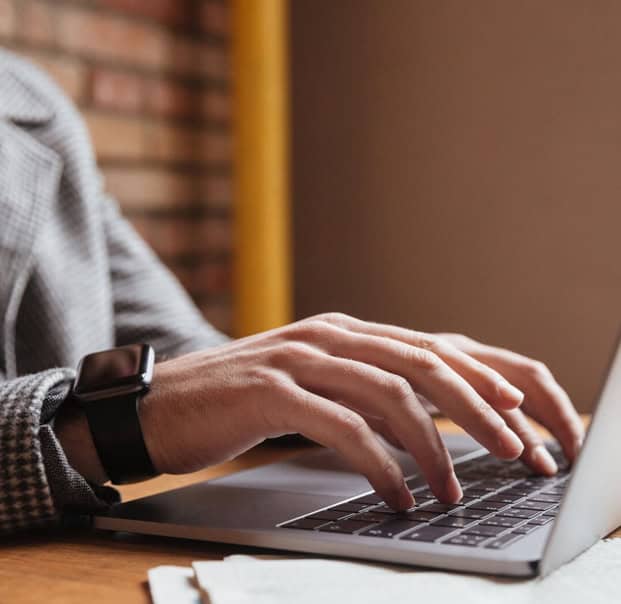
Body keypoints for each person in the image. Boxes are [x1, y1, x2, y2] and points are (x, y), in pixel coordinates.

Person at [0, 48, 584, 535]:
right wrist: (97, 430)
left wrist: (350, 377)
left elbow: (186, 357)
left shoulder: (31, 99)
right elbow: (152, 405)